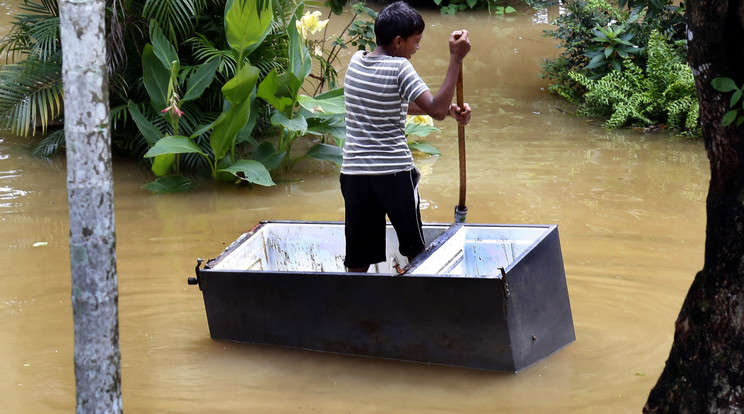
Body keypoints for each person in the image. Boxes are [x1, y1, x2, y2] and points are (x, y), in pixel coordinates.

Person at [341, 0, 472, 273]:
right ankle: (424, 305)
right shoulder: (400, 69)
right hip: (393, 175)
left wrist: (449, 110)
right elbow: (433, 110)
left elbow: (389, 101)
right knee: (415, 250)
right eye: (416, 41)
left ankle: (352, 308)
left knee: (358, 258)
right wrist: (455, 59)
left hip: (354, 176)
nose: (418, 48)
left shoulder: (355, 63)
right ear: (399, 42)